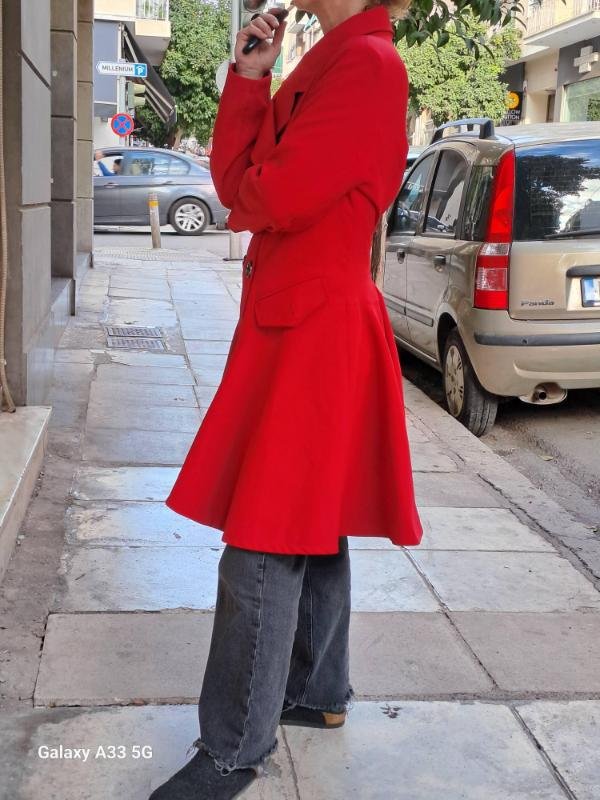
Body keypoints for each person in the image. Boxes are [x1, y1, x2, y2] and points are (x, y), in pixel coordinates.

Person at [150, 1, 421, 798]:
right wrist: (249, 78)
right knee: (312, 514)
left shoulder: (367, 64)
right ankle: (316, 691)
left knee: (266, 529)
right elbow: (240, 185)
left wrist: (259, 180)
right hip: (300, 313)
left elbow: (276, 195)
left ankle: (235, 746)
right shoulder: (333, 61)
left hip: (315, 320)